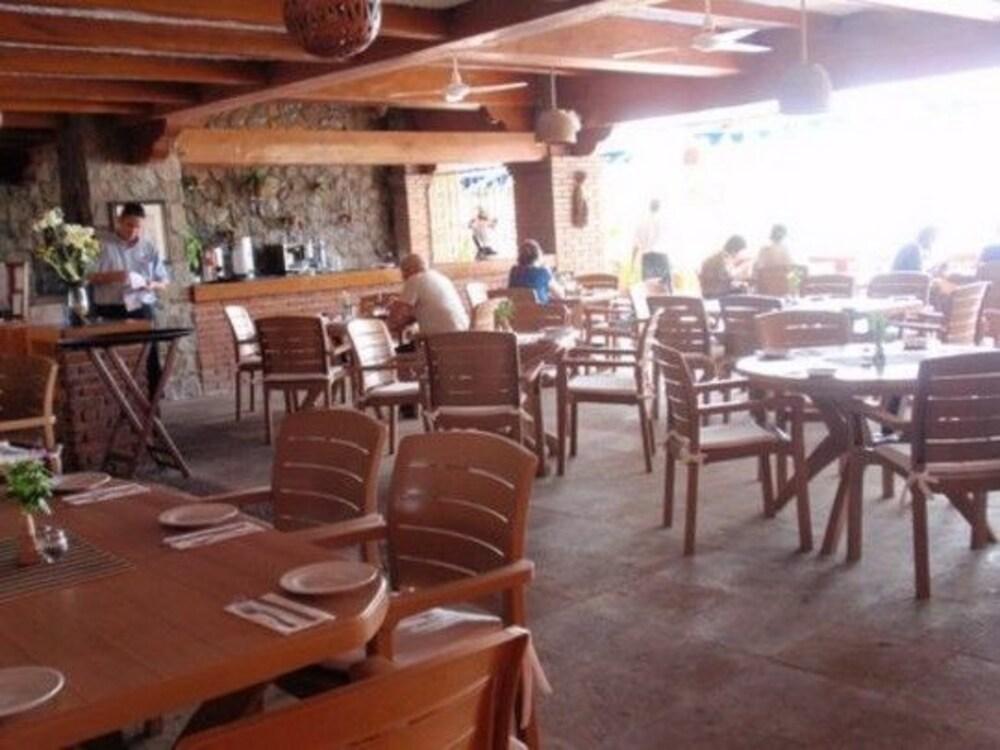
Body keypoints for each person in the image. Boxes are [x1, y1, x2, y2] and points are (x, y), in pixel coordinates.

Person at [90, 202, 169, 395]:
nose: (133, 230)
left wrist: (151, 284)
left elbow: (164, 281)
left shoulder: (149, 246)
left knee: (150, 352)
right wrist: (115, 276)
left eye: (138, 226)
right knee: (111, 355)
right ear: (119, 221)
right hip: (109, 307)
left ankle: (154, 397)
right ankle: (115, 395)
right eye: (129, 225)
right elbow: (87, 276)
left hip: (141, 304)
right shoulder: (101, 245)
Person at [390, 254, 469, 335]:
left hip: (442, 338)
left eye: (403, 272)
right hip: (464, 334)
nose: (403, 277)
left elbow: (396, 318)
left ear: (411, 269)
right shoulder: (441, 278)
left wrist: (392, 309)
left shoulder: (414, 279)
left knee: (406, 340)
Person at [632, 199, 672, 288]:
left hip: (647, 258)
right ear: (659, 207)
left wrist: (632, 263)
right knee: (664, 289)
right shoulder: (665, 221)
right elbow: (671, 241)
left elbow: (636, 244)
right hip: (662, 257)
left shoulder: (642, 221)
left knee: (649, 289)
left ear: (649, 207)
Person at [508, 240, 563, 304]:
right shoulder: (542, 272)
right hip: (540, 310)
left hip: (517, 309)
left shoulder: (514, 271)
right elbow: (560, 295)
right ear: (538, 255)